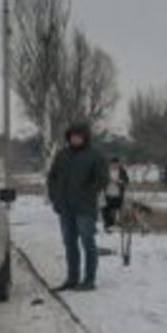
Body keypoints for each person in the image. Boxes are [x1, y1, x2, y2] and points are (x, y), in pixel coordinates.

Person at [46, 122, 108, 291]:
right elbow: (52, 177)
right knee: (69, 243)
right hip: (65, 208)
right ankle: (72, 279)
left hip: (85, 208)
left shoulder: (95, 156)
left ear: (85, 137)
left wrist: (87, 192)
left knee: (88, 242)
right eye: (72, 136)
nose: (75, 139)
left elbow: (102, 179)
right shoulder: (62, 155)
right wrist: (54, 197)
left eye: (78, 136)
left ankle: (89, 279)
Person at [101, 158, 130, 233]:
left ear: (118, 164)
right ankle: (107, 226)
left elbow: (126, 181)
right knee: (105, 210)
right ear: (110, 164)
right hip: (106, 193)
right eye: (113, 164)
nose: (114, 166)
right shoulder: (105, 171)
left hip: (117, 194)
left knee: (114, 210)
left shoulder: (122, 172)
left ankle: (115, 224)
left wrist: (119, 181)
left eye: (116, 164)